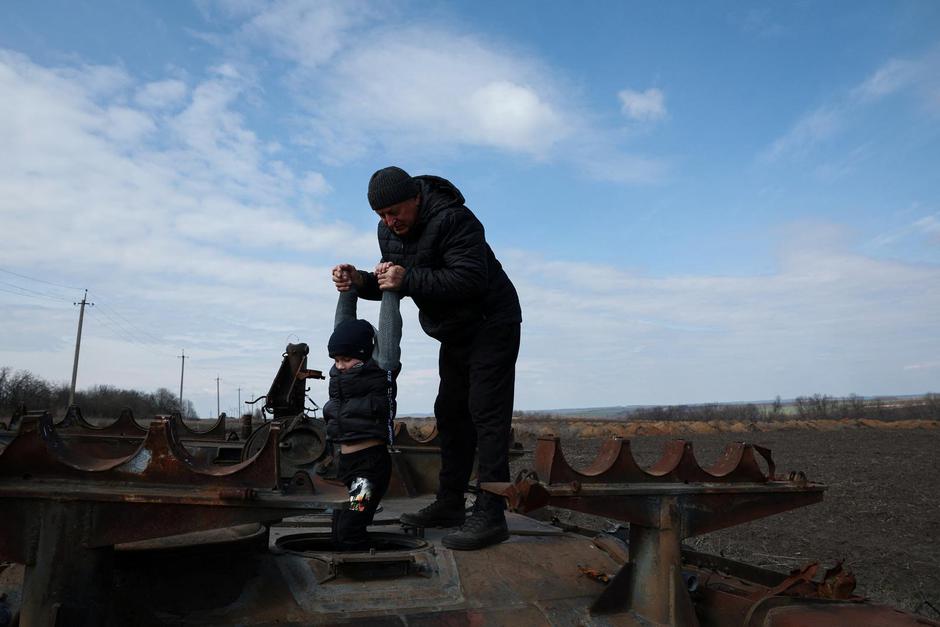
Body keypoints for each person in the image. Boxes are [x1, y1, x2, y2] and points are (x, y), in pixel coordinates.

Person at [332, 166, 521, 550]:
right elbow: (395, 280)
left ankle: (491, 512)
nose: (389, 221)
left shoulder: (456, 219)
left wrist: (407, 279)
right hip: (454, 330)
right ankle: (450, 503)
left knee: (486, 413)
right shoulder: (389, 231)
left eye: (395, 211)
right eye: (382, 216)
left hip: (491, 321)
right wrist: (360, 281)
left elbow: (470, 278)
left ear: (416, 198)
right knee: (450, 412)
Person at [323, 289, 401, 551]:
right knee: (337, 530)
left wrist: (390, 290)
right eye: (336, 359)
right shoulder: (340, 373)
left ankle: (373, 575)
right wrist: (348, 289)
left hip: (367, 470)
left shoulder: (381, 368)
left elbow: (388, 331)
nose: (340, 365)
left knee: (350, 529)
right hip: (345, 466)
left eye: (346, 359)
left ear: (366, 353)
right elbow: (343, 327)